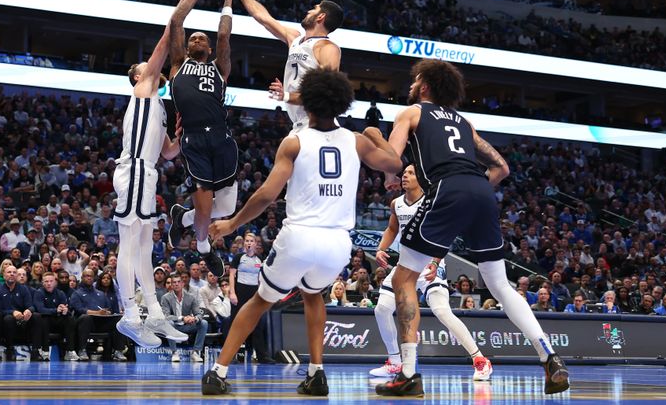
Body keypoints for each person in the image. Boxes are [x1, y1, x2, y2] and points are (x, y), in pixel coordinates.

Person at [202, 68, 402, 396]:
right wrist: (377, 135)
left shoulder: (294, 142)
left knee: (259, 301)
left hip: (300, 235)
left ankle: (218, 371)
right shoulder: (358, 141)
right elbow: (395, 164)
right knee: (314, 296)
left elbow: (267, 195)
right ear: (342, 104)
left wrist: (232, 223)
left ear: (306, 104)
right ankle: (316, 373)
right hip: (338, 242)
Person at [377, 60, 569, 396]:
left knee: (403, 278)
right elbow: (502, 168)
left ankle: (407, 373)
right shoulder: (464, 122)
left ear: (424, 87)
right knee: (499, 285)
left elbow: (393, 159)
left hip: (447, 188)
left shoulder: (411, 113)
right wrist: (472, 191)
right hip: (481, 191)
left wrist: (373, 146)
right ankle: (549, 358)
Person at [112, 0, 202, 350]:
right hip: (133, 170)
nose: (148, 66)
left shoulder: (159, 107)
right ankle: (129, 314)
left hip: (147, 173)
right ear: (137, 76)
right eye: (143, 66)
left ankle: (155, 313)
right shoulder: (144, 87)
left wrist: (179, 139)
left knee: (145, 247)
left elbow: (166, 153)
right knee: (130, 245)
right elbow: (166, 42)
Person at [370, 165, 492, 381]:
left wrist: (436, 262)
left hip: (430, 263)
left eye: (410, 173)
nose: (404, 176)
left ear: (422, 179)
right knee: (381, 309)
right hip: (406, 265)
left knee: (442, 311)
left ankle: (480, 360)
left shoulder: (433, 202)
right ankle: (395, 362)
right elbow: (391, 229)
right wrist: (380, 248)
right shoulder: (396, 203)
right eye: (404, 173)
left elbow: (446, 234)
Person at [166, 0, 239, 280]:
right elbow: (176, 21)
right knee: (207, 212)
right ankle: (204, 249)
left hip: (222, 139)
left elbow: (224, 36)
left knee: (224, 209)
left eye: (201, 39)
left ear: (209, 49)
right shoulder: (177, 65)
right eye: (192, 38)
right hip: (194, 139)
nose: (195, 39)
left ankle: (182, 218)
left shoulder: (220, 68)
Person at [236, 0, 344, 132]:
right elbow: (263, 17)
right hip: (299, 124)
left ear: (321, 16)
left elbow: (325, 92)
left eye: (314, 9)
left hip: (319, 123)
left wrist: (286, 96)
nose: (308, 11)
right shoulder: (295, 38)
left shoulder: (328, 48)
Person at [228, 232, 272, 364]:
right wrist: (232, 293)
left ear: (255, 243)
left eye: (251, 241)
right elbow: (231, 276)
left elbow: (260, 279)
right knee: (235, 323)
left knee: (257, 324)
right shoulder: (238, 257)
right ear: (244, 243)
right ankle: (231, 355)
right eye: (246, 241)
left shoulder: (259, 259)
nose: (248, 243)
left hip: (254, 292)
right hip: (240, 291)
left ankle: (262, 356)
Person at [69, 268, 127, 361]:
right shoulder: (77, 293)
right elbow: (79, 309)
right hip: (84, 323)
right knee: (86, 318)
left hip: (100, 322)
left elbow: (109, 309)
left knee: (119, 319)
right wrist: (96, 313)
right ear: (82, 277)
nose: (89, 278)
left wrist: (107, 312)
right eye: (87, 276)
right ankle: (82, 350)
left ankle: (118, 351)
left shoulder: (100, 294)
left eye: (91, 276)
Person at [0, 265, 42, 361]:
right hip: (7, 321)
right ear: (4, 275)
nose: (12, 274)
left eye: (14, 272)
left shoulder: (23, 289)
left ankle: (35, 350)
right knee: (8, 319)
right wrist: (12, 312)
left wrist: (29, 310)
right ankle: (10, 350)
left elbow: (31, 306)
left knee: (36, 316)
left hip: (23, 320)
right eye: (9, 272)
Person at [160, 275, 208, 363]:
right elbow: (166, 316)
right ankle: (174, 352)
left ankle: (196, 352)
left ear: (182, 284)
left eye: (178, 282)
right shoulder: (166, 298)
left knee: (204, 323)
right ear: (171, 285)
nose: (176, 284)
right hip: (174, 325)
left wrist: (194, 318)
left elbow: (199, 314)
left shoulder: (191, 297)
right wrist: (182, 318)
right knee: (168, 323)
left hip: (188, 325)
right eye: (174, 282)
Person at [34, 271, 77, 361]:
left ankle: (70, 351)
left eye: (51, 281)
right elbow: (40, 309)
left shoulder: (60, 293)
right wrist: (55, 310)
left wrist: (65, 311)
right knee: (44, 318)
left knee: (69, 319)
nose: (49, 283)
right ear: (42, 283)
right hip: (46, 323)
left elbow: (66, 307)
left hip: (58, 321)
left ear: (55, 282)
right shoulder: (39, 293)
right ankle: (45, 351)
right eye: (46, 281)